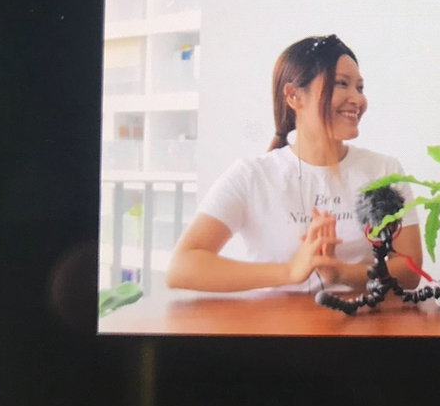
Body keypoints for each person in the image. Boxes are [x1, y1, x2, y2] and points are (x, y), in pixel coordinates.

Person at [166, 33, 422, 294]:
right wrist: (290, 272)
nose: (357, 99)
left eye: (360, 88)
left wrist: (341, 273)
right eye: (341, 84)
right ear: (294, 96)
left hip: (360, 317)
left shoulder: (383, 171)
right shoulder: (251, 176)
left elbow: (410, 271)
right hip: (277, 319)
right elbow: (181, 267)